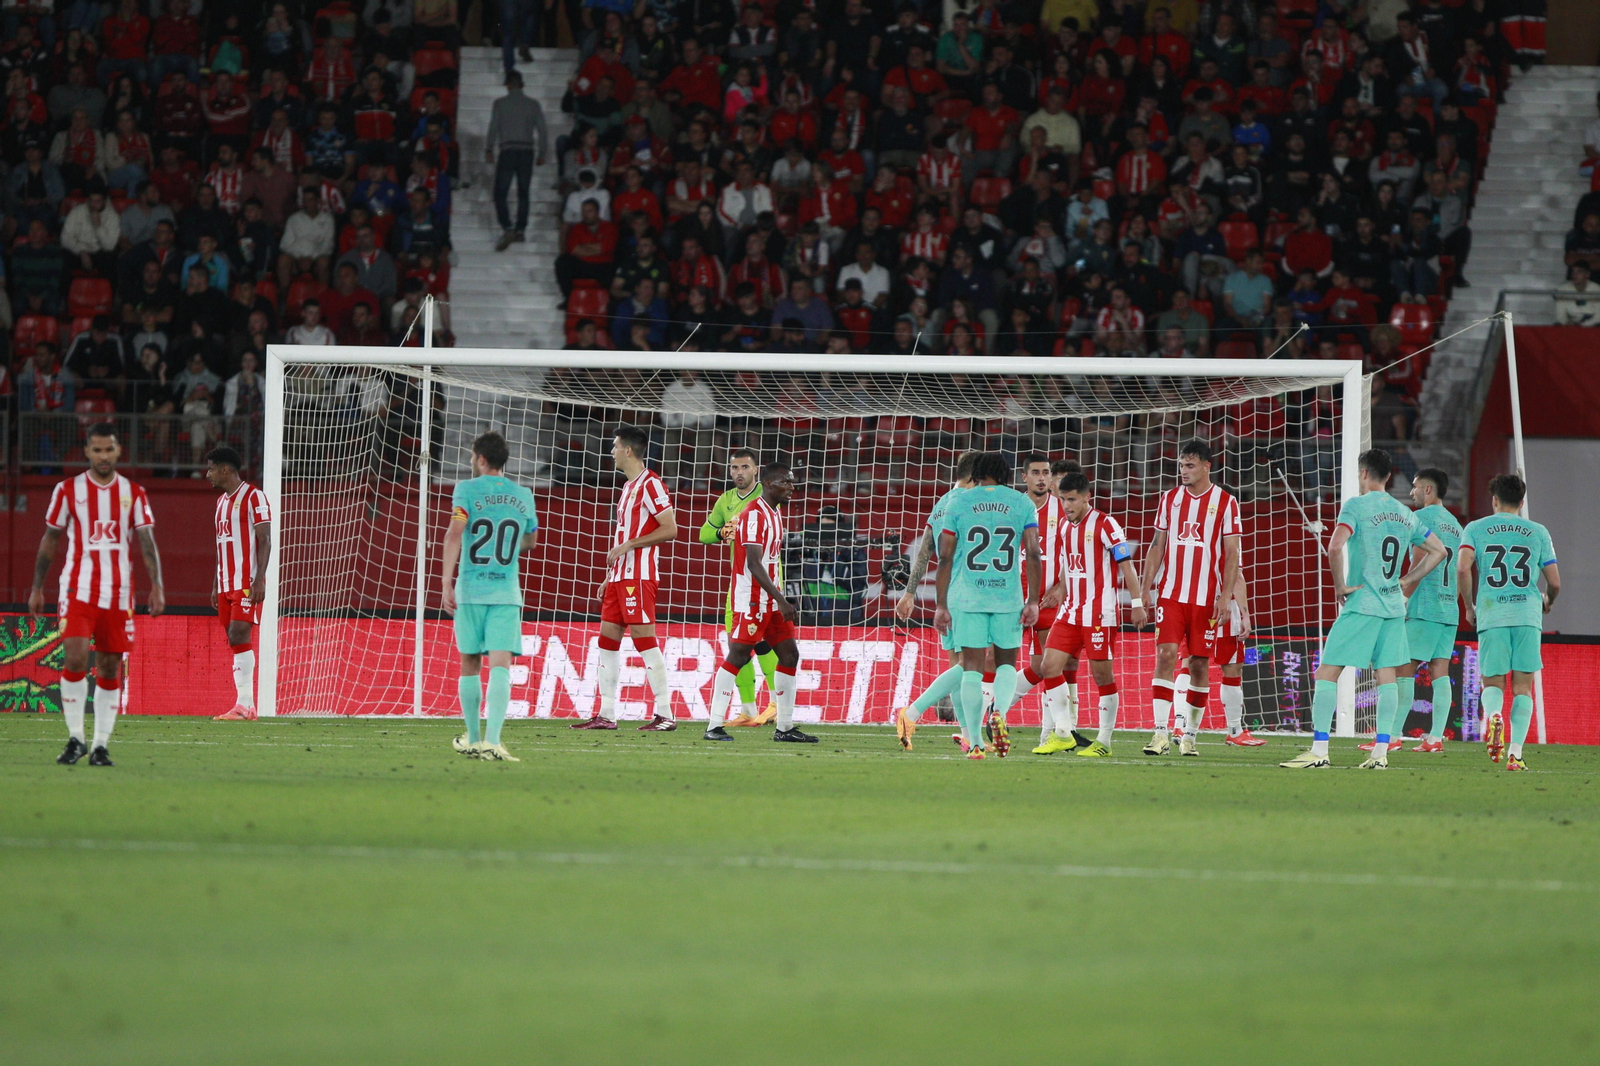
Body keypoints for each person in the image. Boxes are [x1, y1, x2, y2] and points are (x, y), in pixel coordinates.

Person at [1282, 449, 1448, 770]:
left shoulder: (1356, 506)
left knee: (1327, 672)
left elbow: (1334, 546)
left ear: (1363, 473)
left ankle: (1319, 751)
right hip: (1393, 608)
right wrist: (1406, 580)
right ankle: (1380, 753)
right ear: (1389, 476)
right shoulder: (1405, 513)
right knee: (1386, 677)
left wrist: (1339, 586)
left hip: (1363, 604)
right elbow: (1439, 551)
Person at [28, 423, 166, 767]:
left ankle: (101, 745)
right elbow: (50, 539)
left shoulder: (134, 492)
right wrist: (36, 587)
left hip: (119, 593)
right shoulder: (67, 490)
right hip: (78, 588)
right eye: (97, 450)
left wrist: (157, 585)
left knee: (108, 665)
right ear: (87, 452)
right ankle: (76, 739)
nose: (104, 456)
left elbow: (146, 541)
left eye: (109, 450)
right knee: (75, 658)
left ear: (118, 451)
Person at [1029, 464, 1147, 757]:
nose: (1066, 505)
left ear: (1086, 497)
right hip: (1070, 612)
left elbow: (1127, 566)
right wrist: (1062, 591)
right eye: (1063, 499)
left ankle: (1104, 741)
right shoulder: (1064, 527)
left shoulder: (1106, 524)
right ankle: (1063, 733)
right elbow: (1068, 567)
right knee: (1049, 666)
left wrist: (1136, 604)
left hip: (1099, 614)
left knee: (1101, 676)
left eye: (1072, 499)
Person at [934, 452, 1042, 759]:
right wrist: (1033, 600)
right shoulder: (1022, 503)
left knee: (971, 667)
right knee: (1006, 663)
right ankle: (1000, 711)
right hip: (1007, 597)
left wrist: (941, 604)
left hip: (969, 597)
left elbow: (945, 556)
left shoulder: (958, 502)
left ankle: (976, 743)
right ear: (1006, 474)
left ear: (976, 474)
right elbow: (1033, 553)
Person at [440, 432, 540, 761]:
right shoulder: (523, 494)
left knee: (470, 662)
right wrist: (507, 549)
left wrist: (446, 583)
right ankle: (493, 742)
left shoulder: (466, 490)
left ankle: (471, 738)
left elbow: (455, 533)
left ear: (481, 459)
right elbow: (530, 541)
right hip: (505, 592)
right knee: (500, 665)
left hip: (470, 590)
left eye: (472, 456)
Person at [702, 463, 816, 744]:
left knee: (789, 655)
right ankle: (714, 725)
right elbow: (753, 564)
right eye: (785, 482)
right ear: (768, 483)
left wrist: (778, 599)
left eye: (792, 482)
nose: (792, 487)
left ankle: (785, 727)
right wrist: (782, 600)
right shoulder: (753, 515)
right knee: (739, 656)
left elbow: (770, 561)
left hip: (771, 600)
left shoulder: (775, 512)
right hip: (752, 600)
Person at [1140, 439, 1241, 757]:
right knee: (1166, 655)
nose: (1183, 471)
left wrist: (1226, 596)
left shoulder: (1226, 502)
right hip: (1171, 595)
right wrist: (1145, 589)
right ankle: (1160, 733)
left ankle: (1190, 735)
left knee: (1198, 664)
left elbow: (1232, 553)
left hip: (1206, 599)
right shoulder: (1169, 499)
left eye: (1190, 465)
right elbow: (1157, 546)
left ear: (1207, 466)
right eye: (1181, 465)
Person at [574, 425, 678, 731]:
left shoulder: (651, 484)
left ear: (628, 451)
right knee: (606, 643)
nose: (612, 451)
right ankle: (606, 714)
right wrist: (611, 575)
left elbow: (670, 529)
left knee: (645, 642)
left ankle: (666, 714)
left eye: (615, 446)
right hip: (620, 577)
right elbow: (625, 536)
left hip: (639, 578)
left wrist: (629, 545)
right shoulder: (627, 488)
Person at [1458, 474, 1561, 771]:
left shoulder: (1475, 528)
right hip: (1527, 615)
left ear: (1494, 500)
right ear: (1522, 502)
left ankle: (1493, 716)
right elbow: (1555, 582)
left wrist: (1469, 606)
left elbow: (1463, 568)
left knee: (1492, 682)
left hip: (1493, 613)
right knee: (1523, 688)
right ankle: (1515, 753)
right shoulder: (1538, 531)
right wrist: (1548, 601)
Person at [893, 450, 981, 750]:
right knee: (973, 663)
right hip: (969, 593)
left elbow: (924, 552)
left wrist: (909, 593)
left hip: (947, 595)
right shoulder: (971, 504)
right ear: (974, 477)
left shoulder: (942, 503)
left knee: (959, 665)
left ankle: (967, 734)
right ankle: (912, 712)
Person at [1380, 467, 1463, 754]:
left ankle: (1392, 736)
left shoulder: (1421, 518)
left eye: (1415, 486)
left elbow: (1418, 561)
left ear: (1428, 489)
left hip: (1424, 606)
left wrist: (1403, 599)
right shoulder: (1456, 525)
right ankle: (1436, 737)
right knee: (1440, 670)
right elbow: (1459, 568)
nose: (1411, 492)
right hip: (1448, 607)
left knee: (1403, 668)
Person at [697, 447, 783, 727]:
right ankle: (748, 710)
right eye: (734, 468)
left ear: (756, 470)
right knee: (737, 644)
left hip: (764, 581)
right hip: (739, 585)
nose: (739, 472)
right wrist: (722, 531)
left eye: (745, 467)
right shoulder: (726, 500)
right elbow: (703, 534)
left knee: (766, 642)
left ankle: (776, 704)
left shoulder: (767, 495)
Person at [205, 447, 272, 721]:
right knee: (234, 639)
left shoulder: (254, 497)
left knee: (239, 633)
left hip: (246, 582)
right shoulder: (220, 503)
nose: (207, 474)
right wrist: (215, 584)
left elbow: (265, 540)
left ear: (225, 470)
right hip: (225, 583)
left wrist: (259, 580)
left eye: (211, 469)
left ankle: (244, 705)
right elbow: (222, 546)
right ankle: (246, 705)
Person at [486, 70, 549, 251]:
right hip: (526, 151)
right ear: (521, 84)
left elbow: (493, 127)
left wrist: (489, 148)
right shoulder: (533, 104)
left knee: (500, 193)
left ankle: (507, 227)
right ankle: (520, 229)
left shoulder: (500, 104)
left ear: (508, 84)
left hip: (508, 151)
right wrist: (542, 152)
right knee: (523, 192)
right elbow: (542, 130)